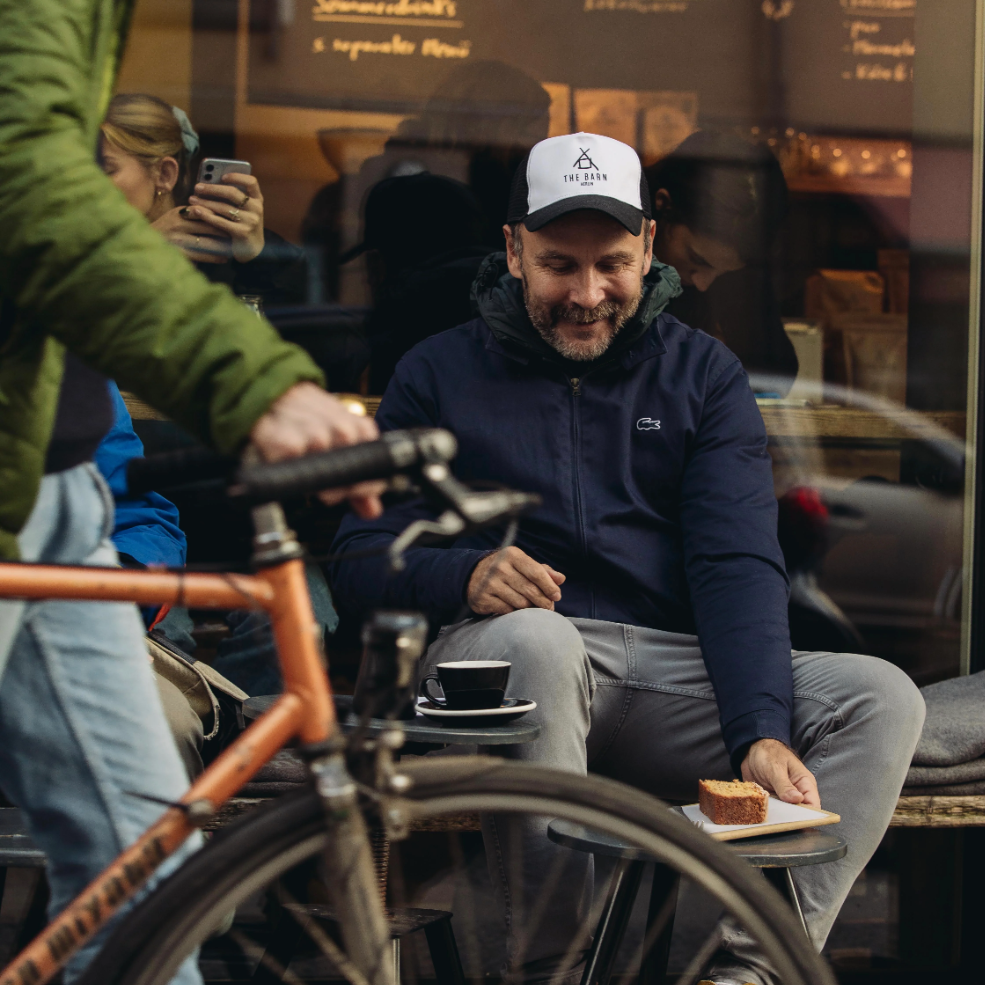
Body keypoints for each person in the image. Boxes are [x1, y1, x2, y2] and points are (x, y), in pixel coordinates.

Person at [328, 132, 925, 985]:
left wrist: (756, 727)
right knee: (539, 638)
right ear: (512, 251)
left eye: (610, 262)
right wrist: (460, 573)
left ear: (648, 244)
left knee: (880, 697)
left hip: (660, 680)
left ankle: (738, 973)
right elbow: (356, 560)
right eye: (557, 264)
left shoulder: (703, 375)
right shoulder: (436, 371)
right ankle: (557, 971)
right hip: (501, 678)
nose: (585, 293)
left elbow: (737, 565)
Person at [0, 4, 381, 983]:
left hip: (57, 485)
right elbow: (28, 184)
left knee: (148, 889)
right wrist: (253, 382)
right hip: (41, 489)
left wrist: (248, 280)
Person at [99, 92, 307, 305]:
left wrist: (261, 258)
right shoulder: (83, 248)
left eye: (106, 169)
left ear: (164, 175)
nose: (89, 183)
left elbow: (304, 323)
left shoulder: (224, 251)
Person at [645, 130, 799, 390]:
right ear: (663, 204)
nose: (703, 283)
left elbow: (777, 373)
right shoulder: (616, 232)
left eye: (724, 271)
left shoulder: (737, 261)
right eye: (696, 258)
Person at [343, 172, 492, 393]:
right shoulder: (513, 290)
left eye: (372, 258)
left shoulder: (402, 315)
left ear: (389, 255)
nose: (367, 277)